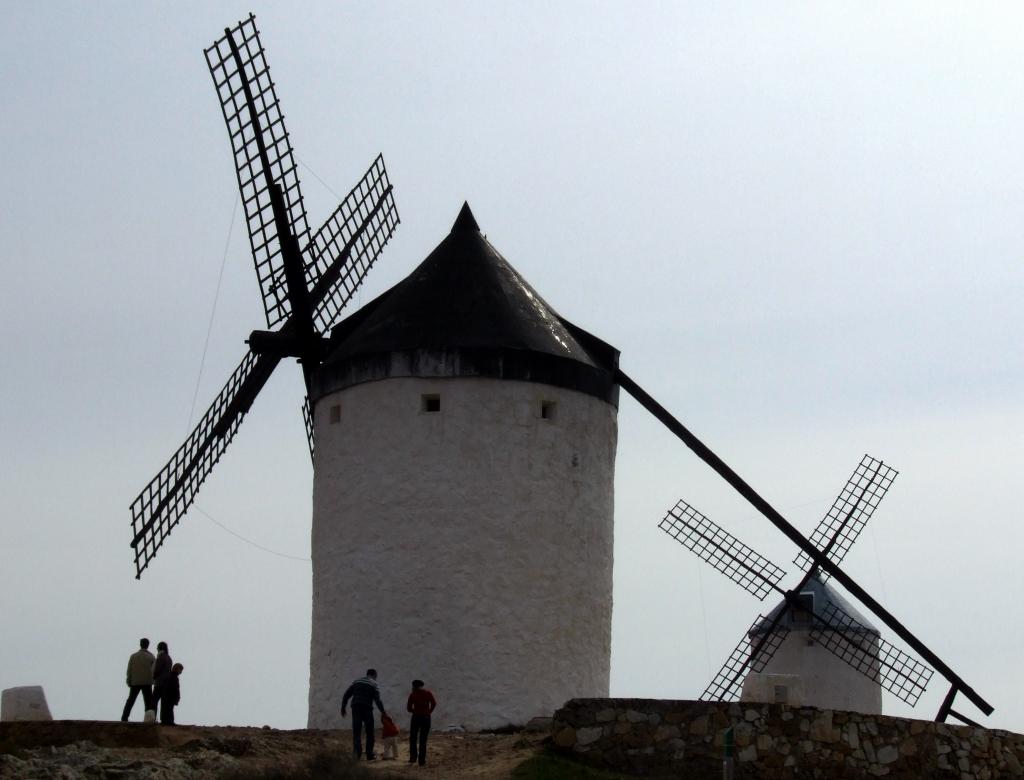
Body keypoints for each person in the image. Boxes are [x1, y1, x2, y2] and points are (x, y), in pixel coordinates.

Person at [340, 668, 386, 760]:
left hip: (355, 706)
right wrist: (383, 712)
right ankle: (369, 754)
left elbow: (346, 694)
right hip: (366, 708)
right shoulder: (374, 683)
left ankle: (357, 754)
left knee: (356, 731)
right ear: (374, 675)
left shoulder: (357, 681)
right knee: (370, 731)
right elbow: (377, 700)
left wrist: (343, 707)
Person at [121, 637, 155, 722]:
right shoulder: (151, 657)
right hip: (147, 682)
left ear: (140, 645)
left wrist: (129, 681)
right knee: (148, 701)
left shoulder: (133, 656)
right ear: (148, 645)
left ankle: (124, 717)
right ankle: (148, 719)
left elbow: (129, 670)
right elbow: (154, 670)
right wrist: (153, 681)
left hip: (135, 682)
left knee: (131, 700)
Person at [406, 679, 436, 767]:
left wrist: (414, 711)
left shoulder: (412, 694)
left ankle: (413, 757)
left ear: (414, 686)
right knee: (423, 740)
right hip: (426, 718)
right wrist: (429, 711)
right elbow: (434, 703)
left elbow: (408, 708)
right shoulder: (428, 693)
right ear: (421, 686)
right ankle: (421, 761)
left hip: (416, 718)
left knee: (413, 738)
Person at [151, 642, 173, 712]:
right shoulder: (169, 658)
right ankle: (163, 719)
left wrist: (153, 677)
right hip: (166, 683)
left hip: (159, 683)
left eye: (157, 647)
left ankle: (152, 718)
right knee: (164, 702)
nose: (157, 649)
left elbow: (157, 669)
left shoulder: (161, 657)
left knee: (154, 701)